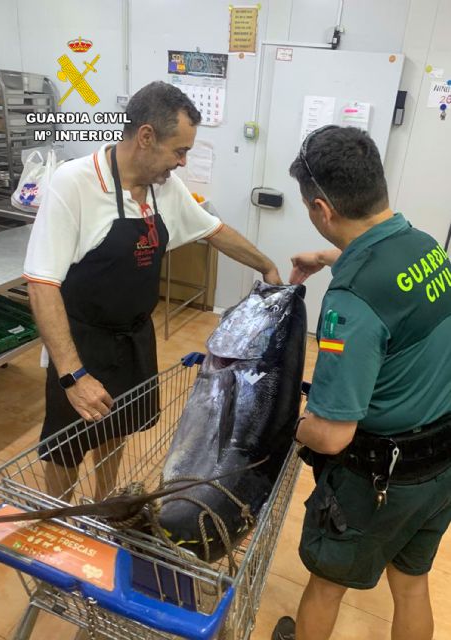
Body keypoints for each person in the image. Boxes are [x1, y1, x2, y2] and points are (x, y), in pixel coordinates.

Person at [24, 81, 281, 501]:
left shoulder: (163, 187)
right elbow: (42, 284)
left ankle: (107, 509)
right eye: (179, 151)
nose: (182, 162)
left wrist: (266, 265)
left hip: (134, 336)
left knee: (117, 427)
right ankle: (60, 523)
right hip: (81, 339)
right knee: (66, 448)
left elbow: (213, 231)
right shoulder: (75, 184)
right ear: (145, 137)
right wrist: (73, 375)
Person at [272, 125, 451, 640]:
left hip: (380, 478)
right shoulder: (423, 245)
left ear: (322, 209)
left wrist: (283, 417)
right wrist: (329, 258)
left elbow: (332, 435)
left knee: (327, 584)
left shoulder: (350, 302)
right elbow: (392, 284)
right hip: (439, 466)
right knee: (412, 583)